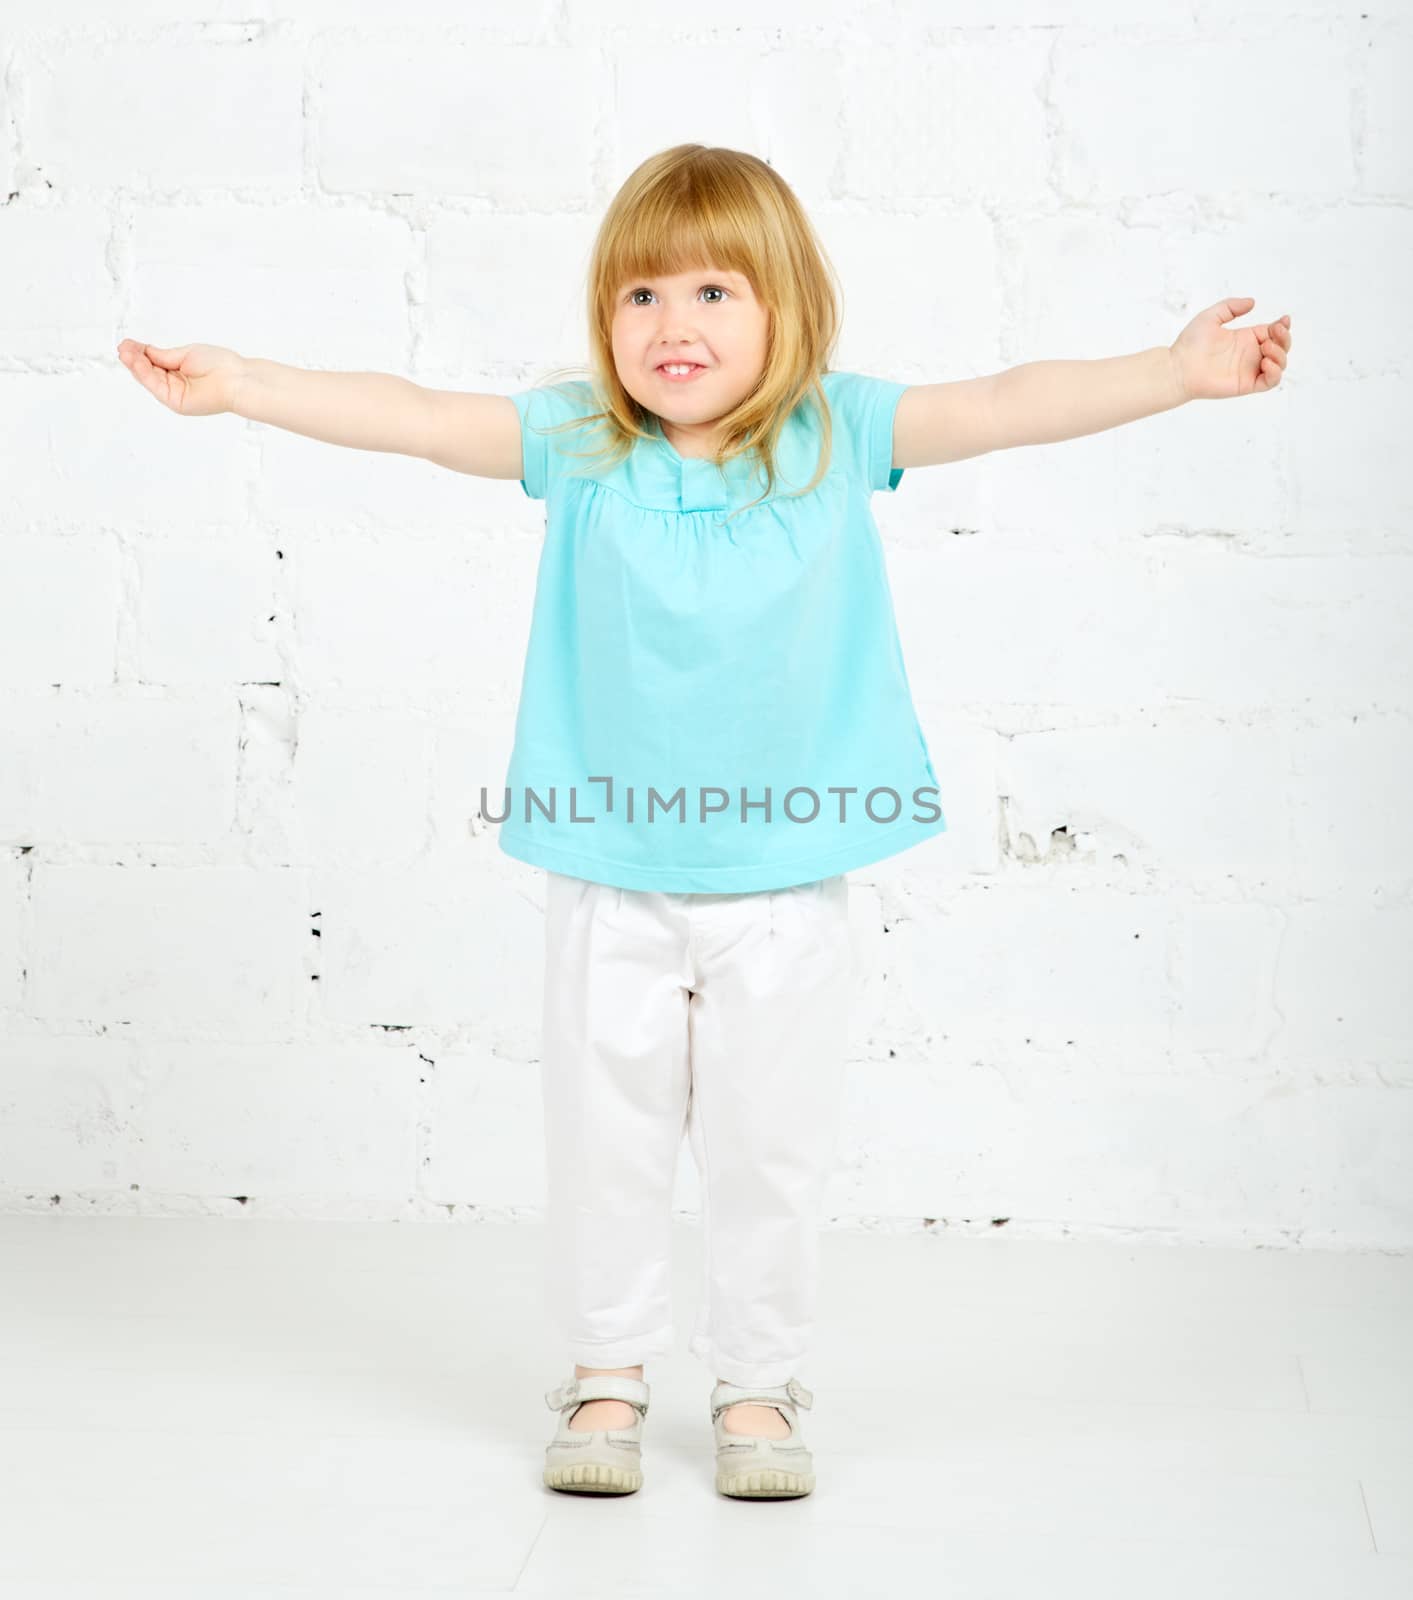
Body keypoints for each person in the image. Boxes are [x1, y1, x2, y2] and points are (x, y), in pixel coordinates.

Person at [116, 142, 1292, 1503]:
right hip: (610, 871)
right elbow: (415, 414)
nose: (673, 326)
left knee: (766, 1144)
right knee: (602, 1138)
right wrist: (246, 384)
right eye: (642, 298)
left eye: (715, 294)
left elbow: (1006, 403)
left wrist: (1170, 373)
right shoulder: (579, 442)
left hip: (784, 875)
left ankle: (755, 1384)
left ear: (786, 310)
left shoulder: (835, 431)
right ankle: (606, 1374)